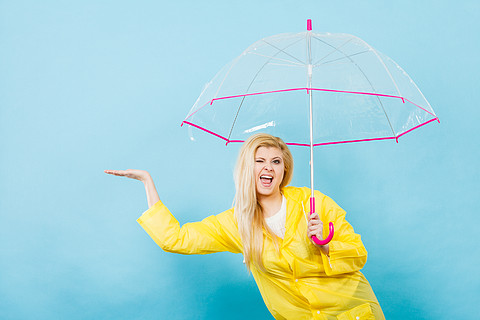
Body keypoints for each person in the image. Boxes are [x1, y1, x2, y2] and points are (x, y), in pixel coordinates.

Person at [105, 133, 385, 320]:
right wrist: (146, 182)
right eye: (260, 161)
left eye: (276, 161)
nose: (269, 168)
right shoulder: (238, 223)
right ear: (247, 169)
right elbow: (176, 239)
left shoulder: (314, 203)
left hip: (354, 312)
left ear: (284, 170)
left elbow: (359, 254)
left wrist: (326, 244)